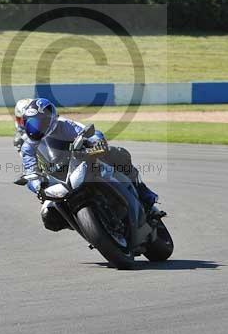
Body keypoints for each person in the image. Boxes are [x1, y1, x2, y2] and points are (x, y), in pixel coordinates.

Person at [14, 97, 158, 232]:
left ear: (50, 119)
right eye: (30, 123)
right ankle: (87, 227)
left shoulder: (63, 124)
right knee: (49, 217)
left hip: (78, 159)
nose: (36, 128)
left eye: (40, 123)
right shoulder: (26, 145)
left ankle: (142, 191)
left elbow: (89, 133)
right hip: (54, 178)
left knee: (119, 154)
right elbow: (29, 168)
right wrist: (36, 184)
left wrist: (95, 143)